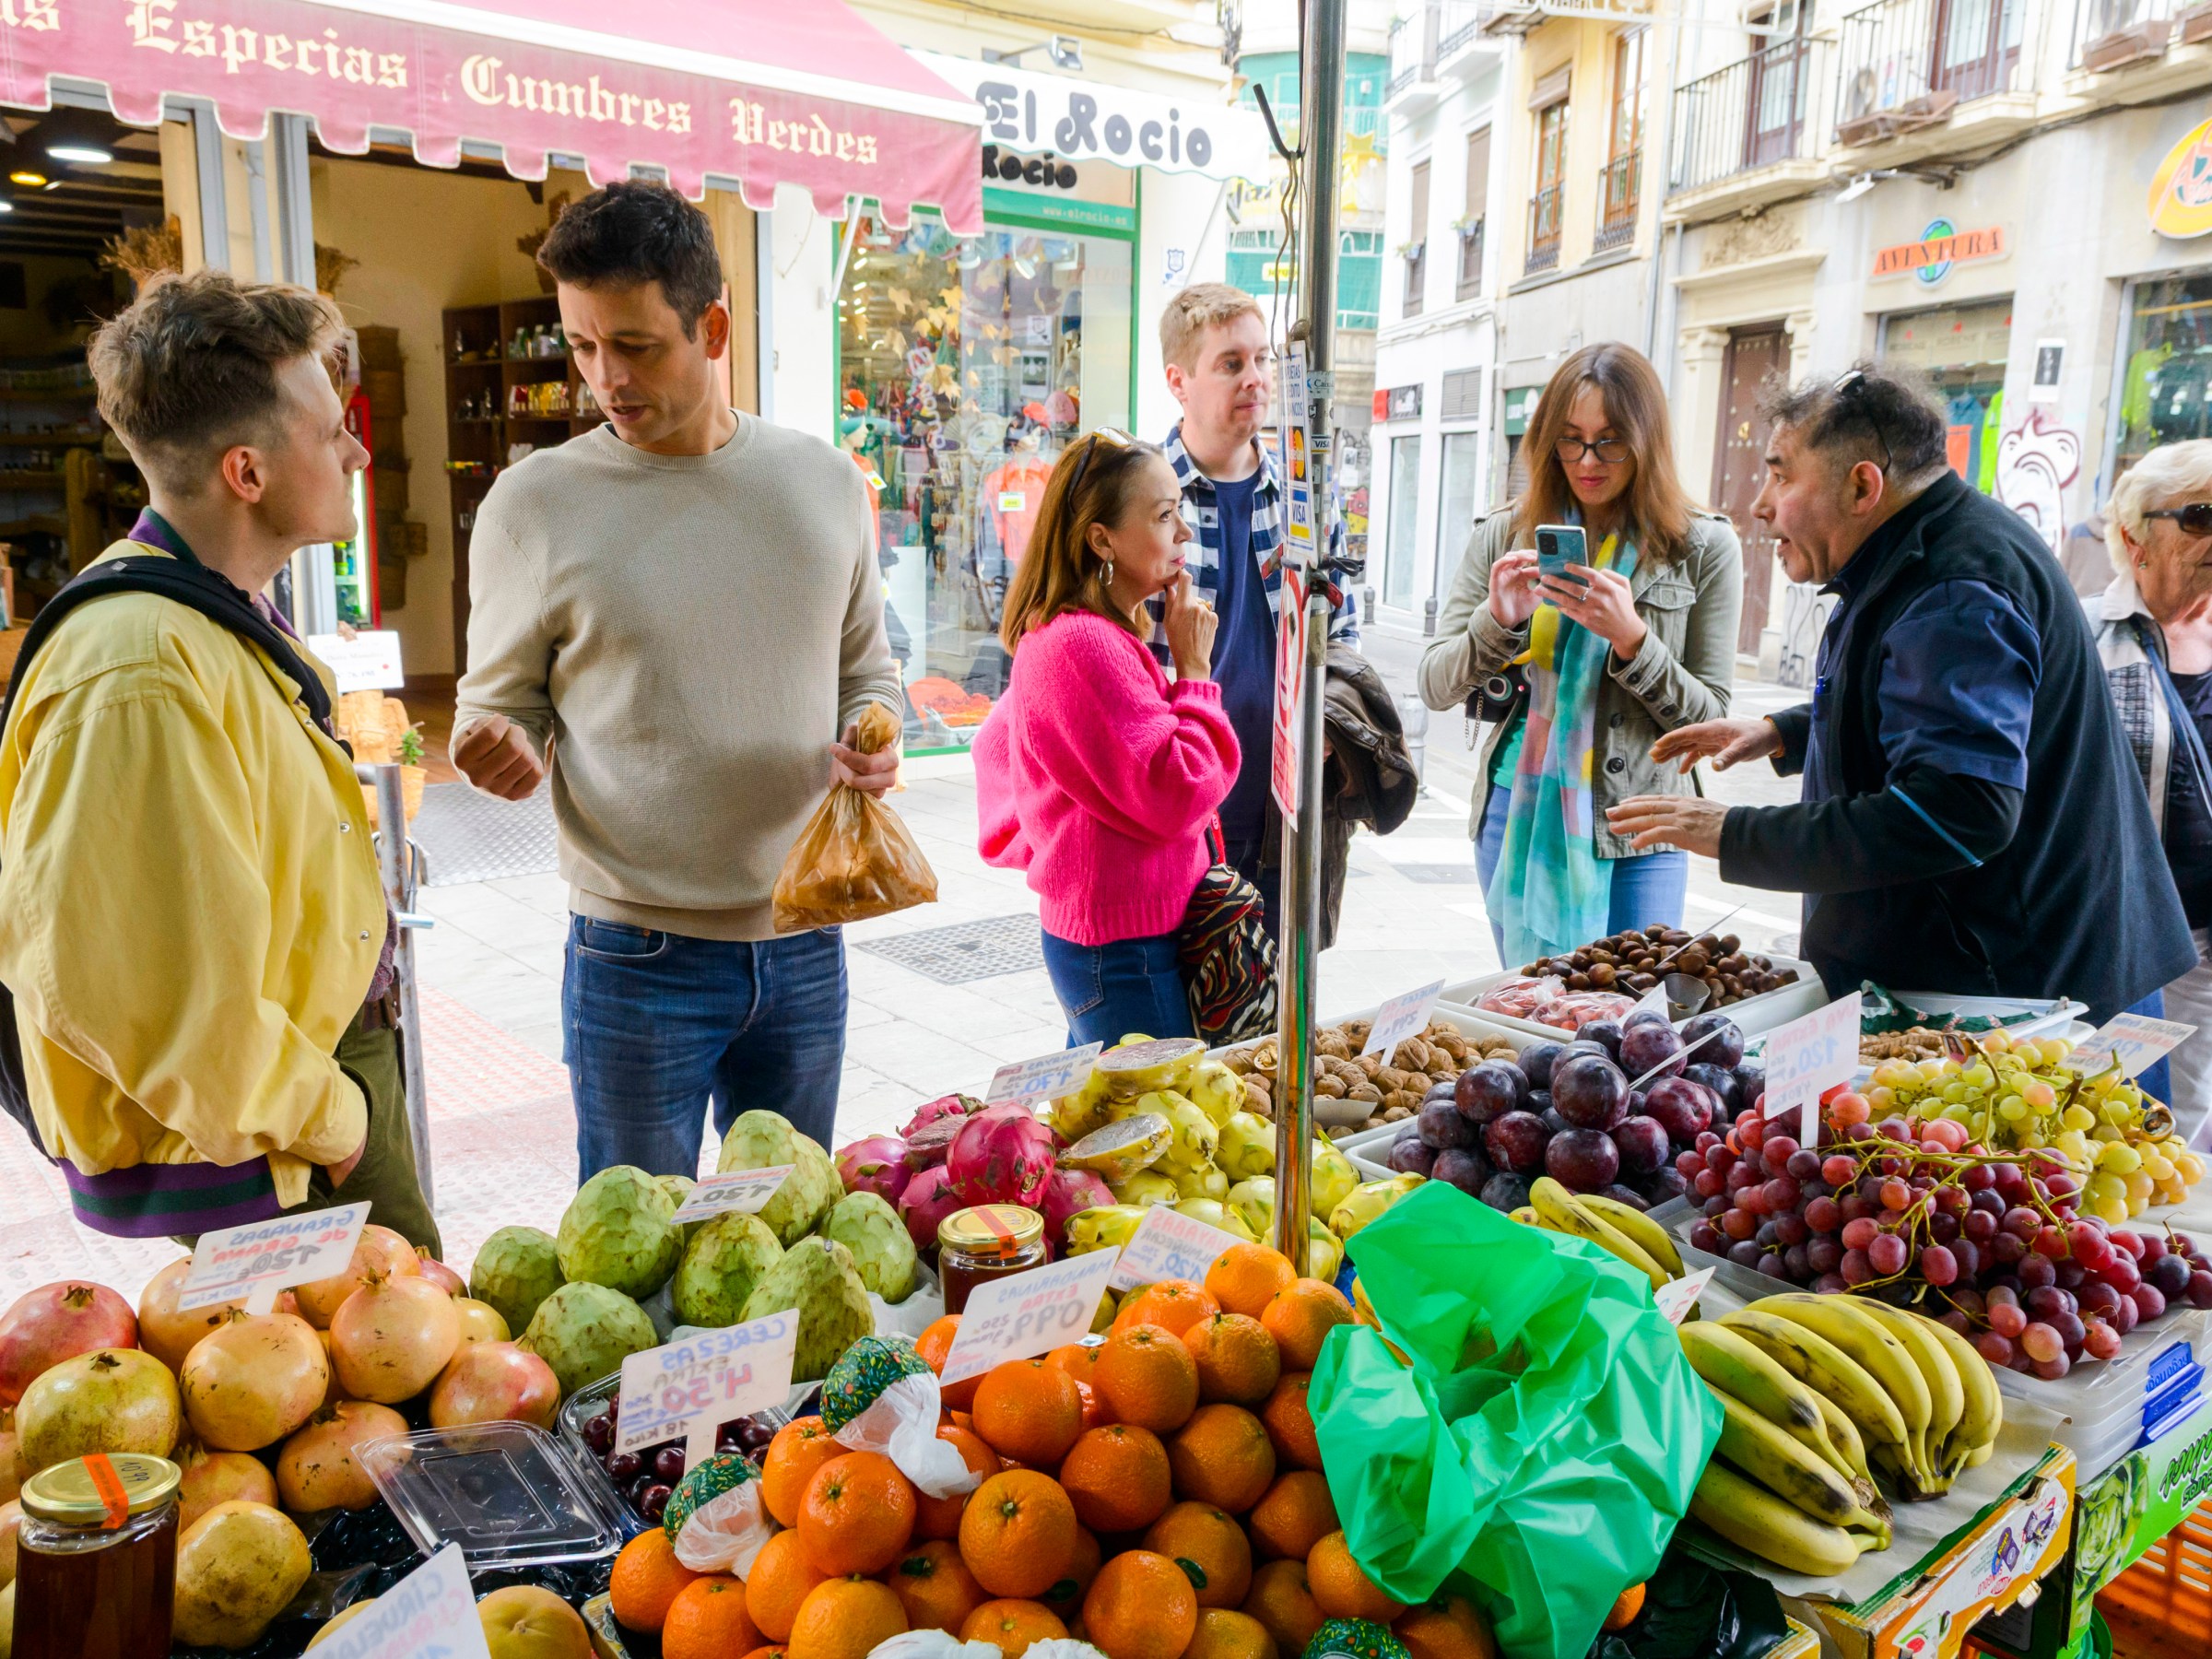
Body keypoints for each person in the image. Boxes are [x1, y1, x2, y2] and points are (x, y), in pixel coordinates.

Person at [452, 182, 902, 1179]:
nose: (605, 378)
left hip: (804, 934)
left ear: (714, 326)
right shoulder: (533, 504)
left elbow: (866, 669)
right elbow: (498, 703)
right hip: (634, 954)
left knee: (791, 1245)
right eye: (581, 346)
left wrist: (875, 727)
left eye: (636, 346)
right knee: (632, 1268)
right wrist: (500, 748)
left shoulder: (824, 483)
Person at [0, 270, 438, 1249]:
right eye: (333, 433)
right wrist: (337, 1119)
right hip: (266, 1153)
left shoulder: (210, 617)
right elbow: (136, 991)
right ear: (249, 472)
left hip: (294, 1109)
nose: (358, 450)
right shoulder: (139, 668)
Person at [1611, 365, 2194, 1028]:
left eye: (1781, 475)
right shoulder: (1938, 545)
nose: (1760, 505)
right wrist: (1792, 732)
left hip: (2026, 998)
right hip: (2017, 971)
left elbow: (1961, 807)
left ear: (1863, 484)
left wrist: (1735, 833)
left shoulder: (1955, 587)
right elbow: (1937, 708)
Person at [1418, 343, 1743, 966]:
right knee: (1534, 1012)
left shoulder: (1702, 546)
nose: (1587, 461)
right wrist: (1499, 620)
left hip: (1642, 827)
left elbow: (1715, 725)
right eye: (1570, 440)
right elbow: (1435, 685)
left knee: (1631, 1021)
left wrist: (1634, 641)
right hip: (1516, 814)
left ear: (1647, 443)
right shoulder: (1504, 533)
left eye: (1610, 441)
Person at [973, 429, 1239, 1046]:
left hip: (1118, 938)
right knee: (1155, 1128)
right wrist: (1194, 673)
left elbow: (996, 744)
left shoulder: (1085, 636)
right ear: (1102, 539)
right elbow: (1180, 792)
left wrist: (1060, 837)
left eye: (1181, 511)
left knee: (1110, 1121)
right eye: (1164, 515)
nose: (1184, 533)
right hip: (1125, 948)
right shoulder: (1084, 644)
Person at [1159, 284, 1358, 940]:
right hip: (1178, 813)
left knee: (1272, 1024)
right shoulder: (1140, 496)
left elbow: (1344, 629)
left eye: (1263, 359)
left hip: (1288, 810)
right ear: (1178, 381)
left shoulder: (1308, 494)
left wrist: (1330, 715)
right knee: (1158, 1031)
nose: (1256, 379)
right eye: (1231, 363)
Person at [2089, 442, 2212, 1135]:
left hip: (2205, 935)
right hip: (2121, 933)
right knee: (2115, 1122)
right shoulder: (2083, 632)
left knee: (2186, 1129)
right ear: (2135, 537)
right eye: (2201, 515)